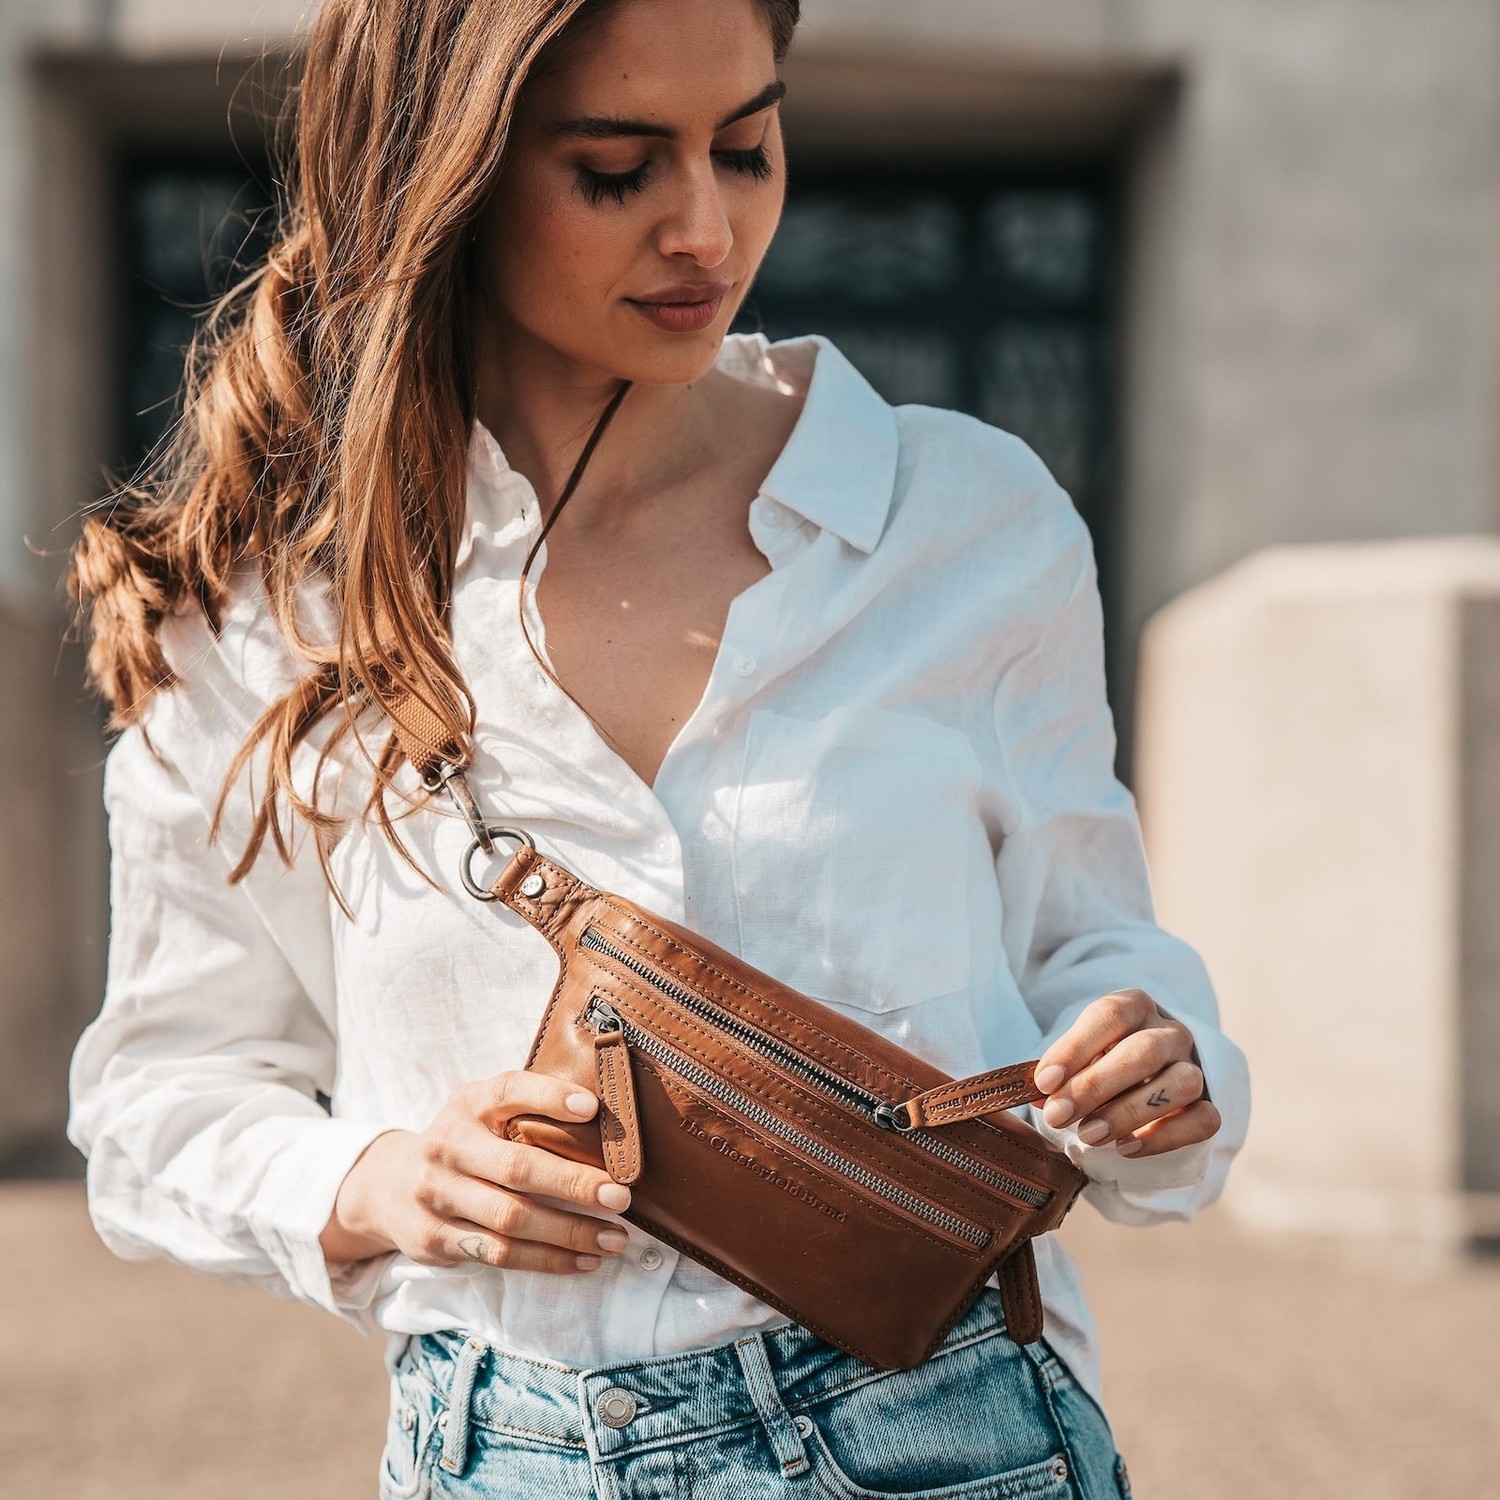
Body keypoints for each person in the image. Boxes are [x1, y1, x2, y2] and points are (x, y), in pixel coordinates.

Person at [66, 0, 1250, 1495]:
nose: (708, 227)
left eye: (747, 148)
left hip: (950, 1437)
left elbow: (1090, 948)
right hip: (502, 1453)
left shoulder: (962, 520)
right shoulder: (263, 609)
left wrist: (1158, 1062)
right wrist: (376, 1181)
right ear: (450, 176)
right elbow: (157, 1098)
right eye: (620, 170)